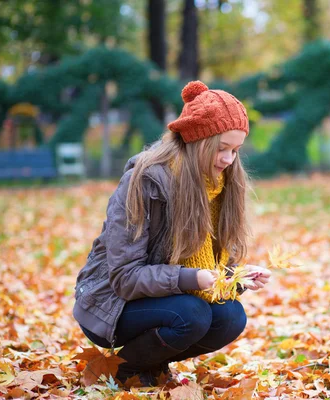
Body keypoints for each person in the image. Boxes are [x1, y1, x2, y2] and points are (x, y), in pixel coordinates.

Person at [73, 81, 271, 386]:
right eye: (222, 149)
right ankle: (122, 369)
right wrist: (190, 278)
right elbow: (125, 276)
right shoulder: (146, 181)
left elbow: (211, 268)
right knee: (192, 315)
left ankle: (149, 364)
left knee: (231, 317)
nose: (229, 160)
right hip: (110, 302)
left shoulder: (219, 184)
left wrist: (237, 277)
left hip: (167, 297)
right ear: (198, 141)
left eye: (235, 150)